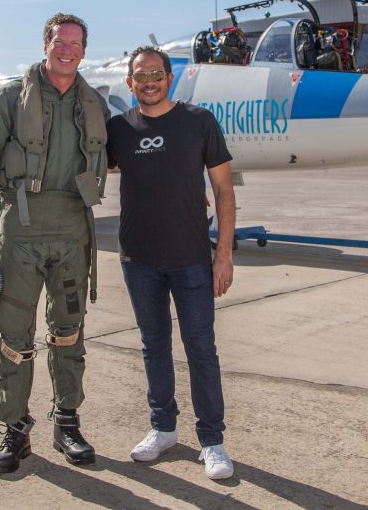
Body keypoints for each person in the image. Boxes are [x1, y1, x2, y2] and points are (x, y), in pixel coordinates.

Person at [0, 13, 110, 474]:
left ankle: (67, 421)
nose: (68, 50)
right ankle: (15, 429)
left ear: (84, 49)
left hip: (71, 232)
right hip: (20, 232)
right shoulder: (10, 99)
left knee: (69, 331)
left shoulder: (94, 104)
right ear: (46, 45)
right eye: (60, 42)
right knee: (14, 338)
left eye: (76, 43)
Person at [106, 45, 237, 480]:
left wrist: (223, 256)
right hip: (138, 260)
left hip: (191, 260)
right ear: (130, 83)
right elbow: (83, 170)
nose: (149, 81)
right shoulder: (118, 130)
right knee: (154, 347)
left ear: (169, 78)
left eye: (157, 73)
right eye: (141, 75)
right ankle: (163, 429)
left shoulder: (198, 122)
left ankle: (212, 441)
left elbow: (223, 191)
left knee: (201, 349)